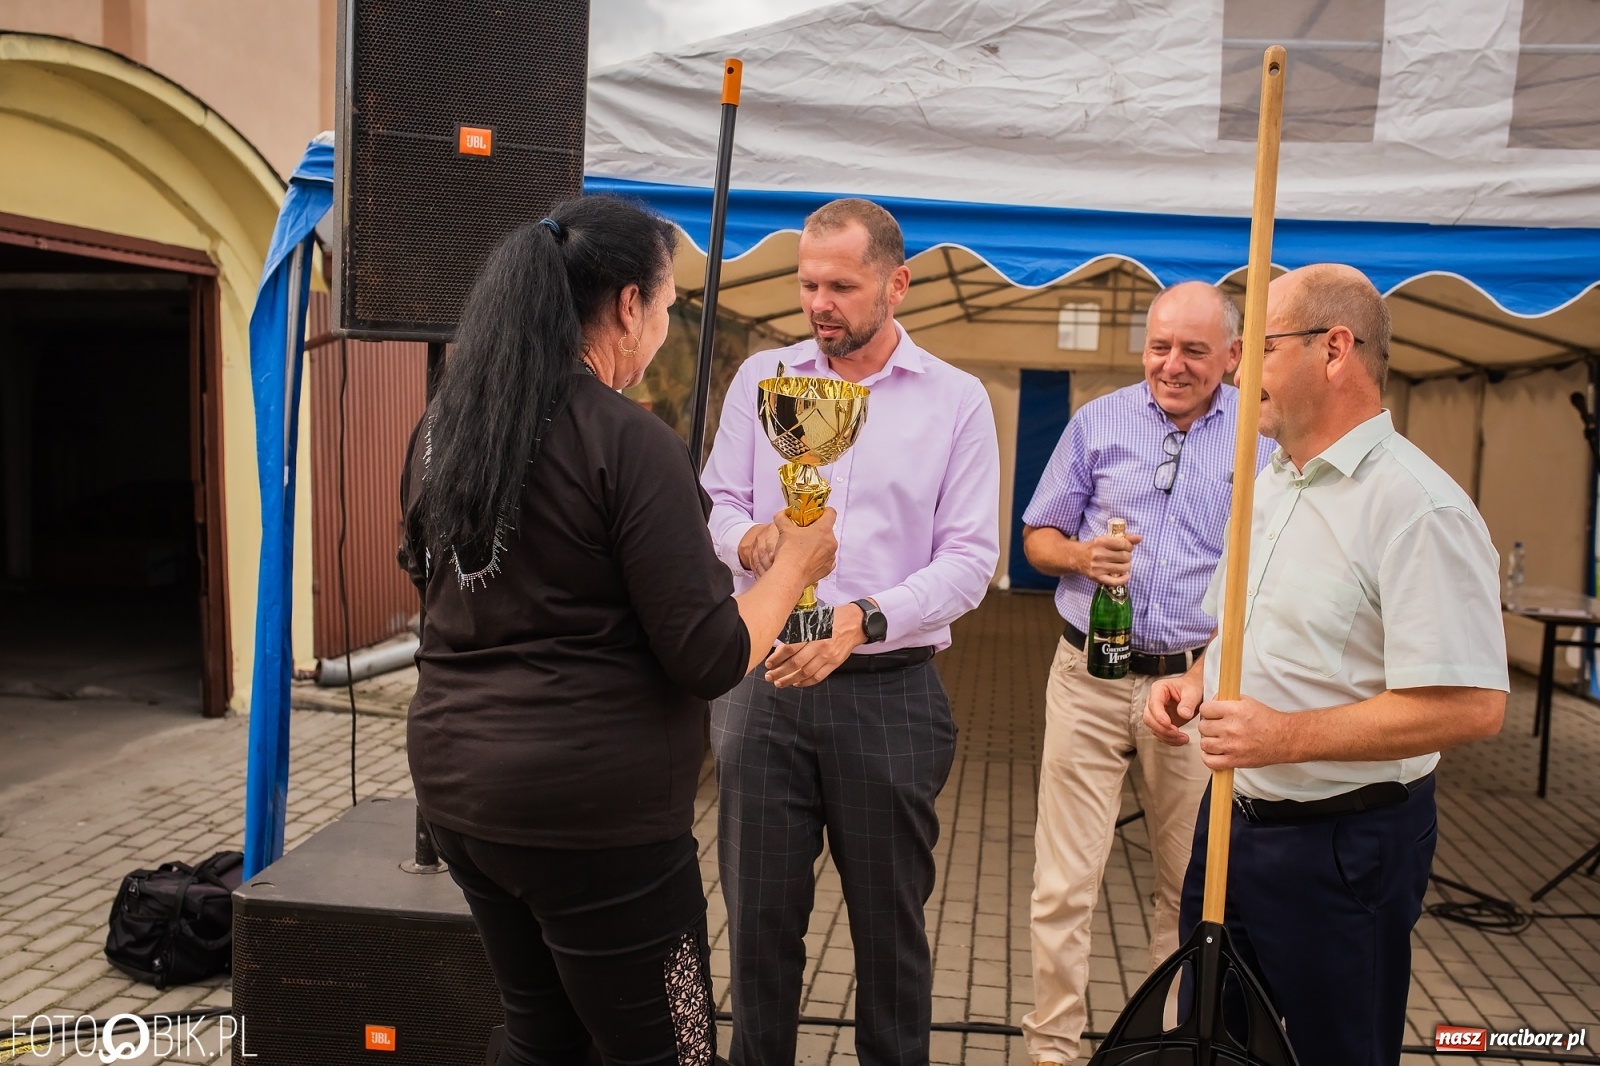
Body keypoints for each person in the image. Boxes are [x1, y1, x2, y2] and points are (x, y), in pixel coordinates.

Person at [398, 196, 838, 1066]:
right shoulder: (629, 442)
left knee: (542, 1034)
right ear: (628, 306)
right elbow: (709, 654)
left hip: (460, 797)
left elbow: (425, 576)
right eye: (670, 308)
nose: (667, 329)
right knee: (673, 1047)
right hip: (598, 828)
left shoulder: (444, 427)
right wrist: (794, 565)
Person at [1145, 264, 1507, 1066]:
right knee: (1218, 1038)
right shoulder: (1272, 482)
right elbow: (1243, 627)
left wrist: (1287, 736)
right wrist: (1198, 679)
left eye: (1261, 349)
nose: (1238, 371)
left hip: (1343, 848)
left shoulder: (1420, 508)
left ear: (1334, 349)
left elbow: (1474, 705)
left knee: (1333, 1051)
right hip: (1232, 822)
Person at [701, 198, 1000, 1066]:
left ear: (897, 284)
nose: (820, 302)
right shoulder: (765, 379)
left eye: (841, 284)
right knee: (757, 931)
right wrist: (748, 538)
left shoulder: (957, 401)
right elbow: (716, 501)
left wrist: (861, 621)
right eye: (807, 284)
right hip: (763, 690)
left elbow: (971, 560)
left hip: (889, 694)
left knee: (889, 938)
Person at [1017, 281, 1273, 1064]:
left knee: (1186, 890)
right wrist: (1078, 555)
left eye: (1195, 350)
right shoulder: (1098, 422)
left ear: (1232, 355)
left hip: (1196, 688)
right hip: (1088, 676)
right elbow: (1036, 536)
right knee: (1063, 885)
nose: (1172, 363)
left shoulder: (1261, 442)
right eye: (1160, 345)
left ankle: (1168, 1051)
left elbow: (1270, 566)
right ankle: (1053, 1051)